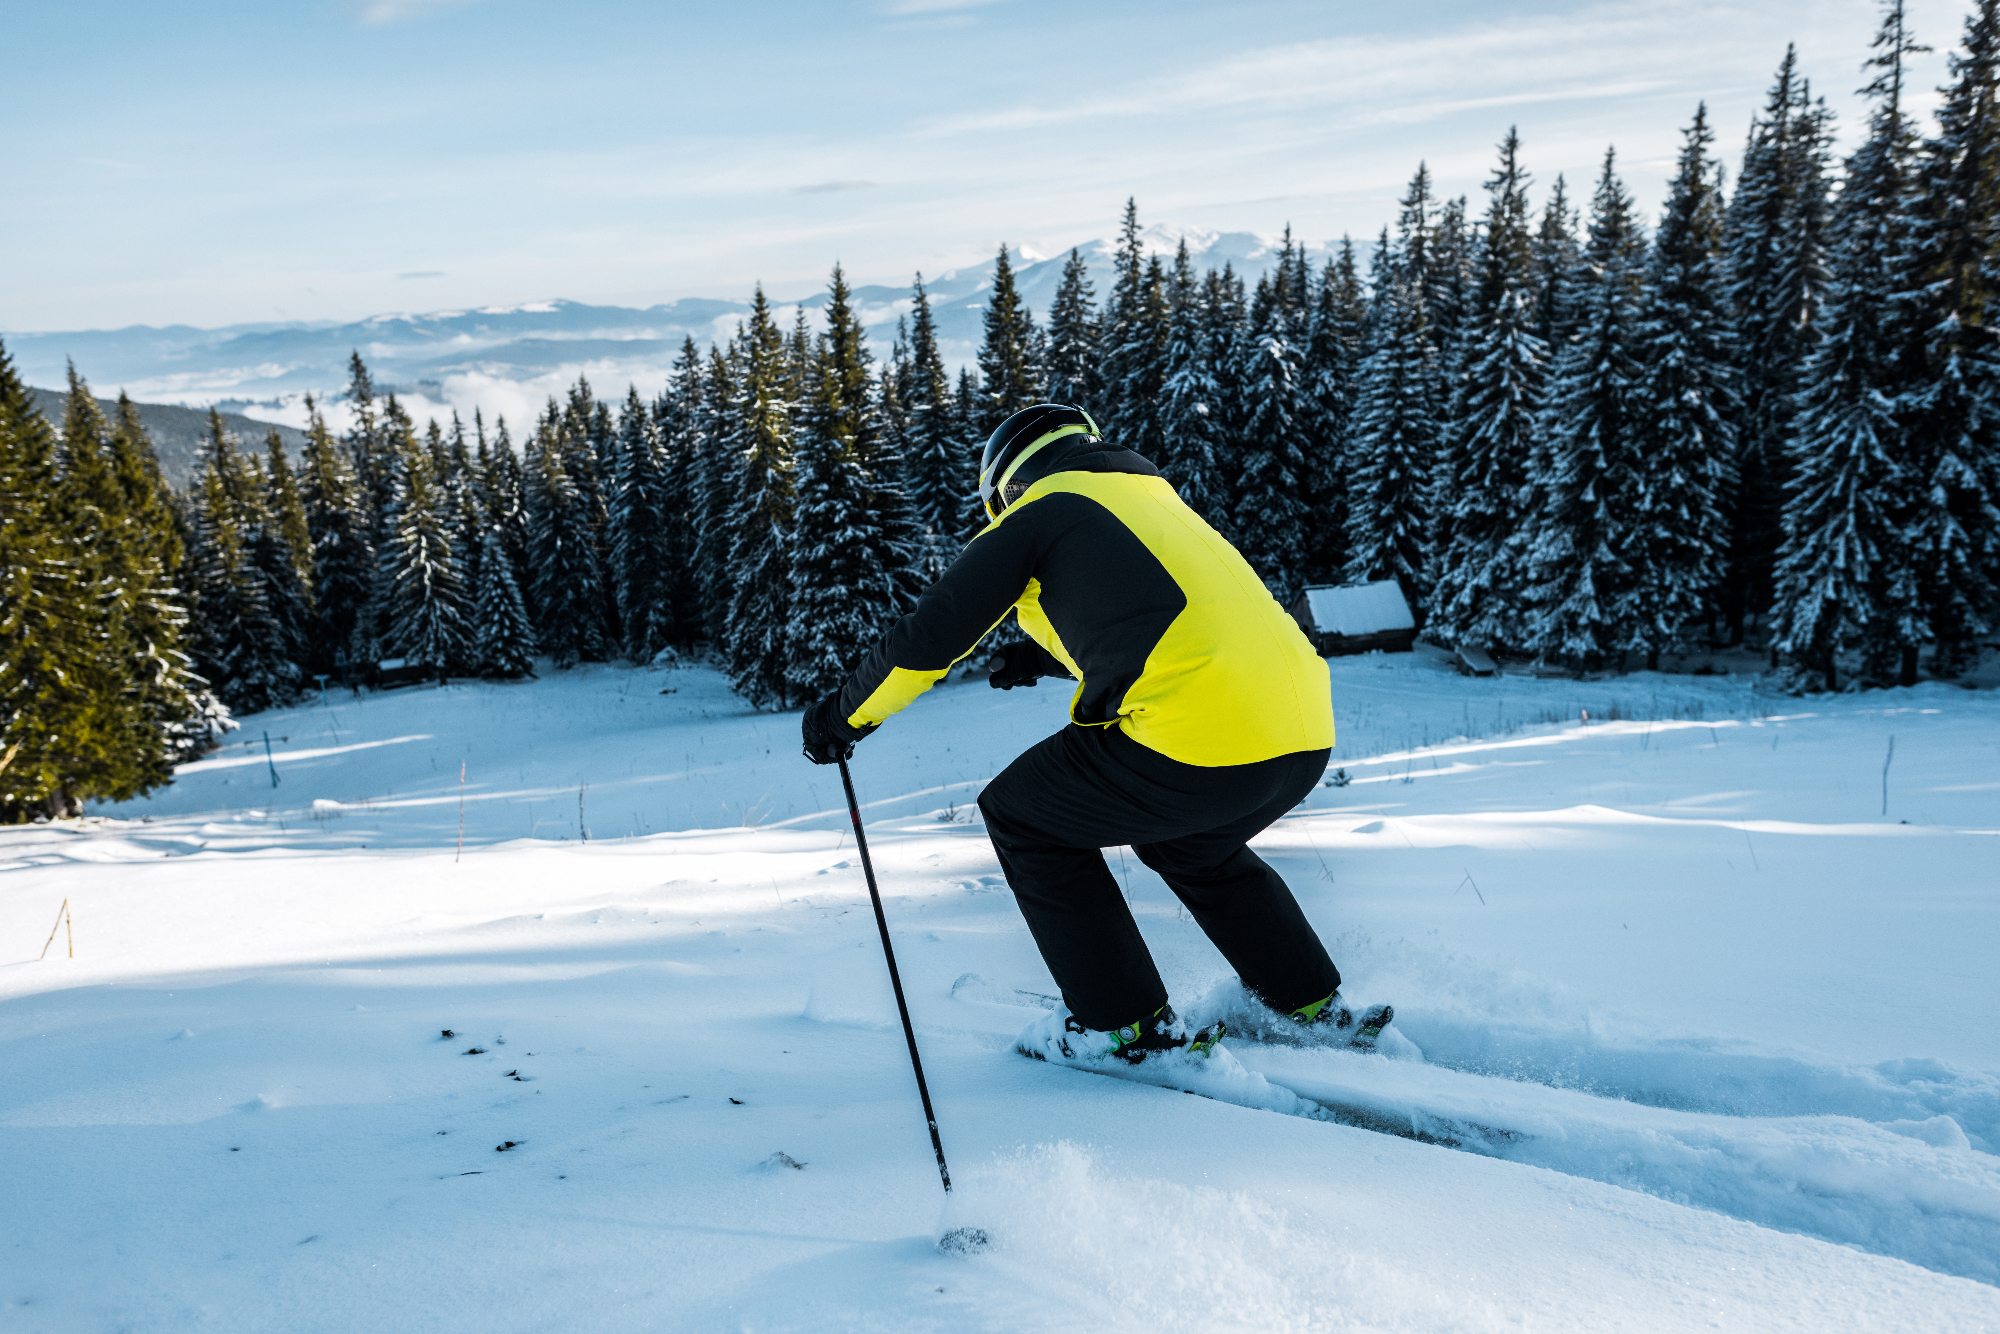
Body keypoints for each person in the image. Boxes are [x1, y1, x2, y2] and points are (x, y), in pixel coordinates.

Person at [801, 403, 1389, 1067]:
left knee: (1022, 816)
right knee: (1192, 846)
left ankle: (1121, 1026)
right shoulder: (1144, 495)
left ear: (1006, 487)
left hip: (1201, 738)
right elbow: (1159, 611)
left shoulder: (1041, 511)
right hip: (1301, 732)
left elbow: (928, 636)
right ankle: (1309, 1004)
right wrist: (1038, 657)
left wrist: (841, 715)